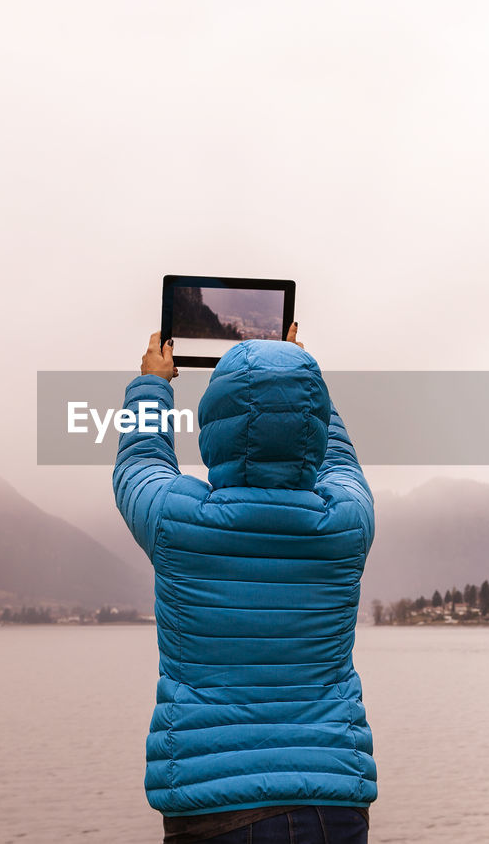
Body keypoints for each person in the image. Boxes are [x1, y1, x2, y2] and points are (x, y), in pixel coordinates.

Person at [113, 323, 377, 844]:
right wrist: (303, 387)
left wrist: (154, 384)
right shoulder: (348, 521)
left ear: (214, 423)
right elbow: (339, 457)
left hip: (213, 806)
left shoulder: (178, 520)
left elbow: (139, 462)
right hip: (332, 803)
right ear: (316, 426)